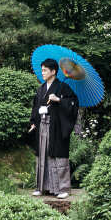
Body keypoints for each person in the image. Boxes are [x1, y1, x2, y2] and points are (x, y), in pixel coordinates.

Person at [29, 58, 79, 199]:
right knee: (42, 155)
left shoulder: (63, 88)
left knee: (57, 156)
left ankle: (62, 189)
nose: (42, 73)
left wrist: (59, 100)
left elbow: (73, 104)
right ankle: (41, 187)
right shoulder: (41, 89)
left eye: (45, 70)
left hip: (56, 127)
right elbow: (35, 107)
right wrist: (33, 121)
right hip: (42, 127)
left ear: (53, 71)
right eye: (42, 70)